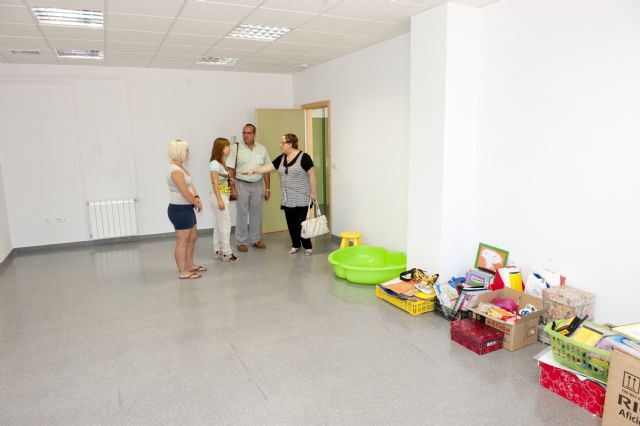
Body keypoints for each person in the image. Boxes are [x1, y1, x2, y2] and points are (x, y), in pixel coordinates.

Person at [245, 133, 317, 256]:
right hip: (287, 198)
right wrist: (254, 170)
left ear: (290, 144)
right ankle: (295, 244)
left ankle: (307, 246)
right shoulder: (282, 158)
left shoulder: (304, 157)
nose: (280, 145)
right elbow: (268, 167)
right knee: (291, 224)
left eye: (282, 142)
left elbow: (312, 175)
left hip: (301, 198)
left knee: (301, 224)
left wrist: (313, 192)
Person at [227, 123, 271, 253]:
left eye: (248, 133)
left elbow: (267, 169)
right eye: (244, 133)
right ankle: (241, 241)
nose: (245, 135)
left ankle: (256, 239)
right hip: (241, 184)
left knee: (256, 213)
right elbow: (231, 168)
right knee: (242, 213)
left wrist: (268, 188)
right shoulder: (236, 147)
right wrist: (233, 188)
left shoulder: (262, 149)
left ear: (254, 134)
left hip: (258, 184)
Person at [166, 138, 206, 279]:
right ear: (180, 152)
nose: (189, 152)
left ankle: (190, 265)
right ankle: (183, 272)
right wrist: (196, 202)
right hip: (179, 209)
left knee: (192, 237)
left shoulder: (181, 167)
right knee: (182, 241)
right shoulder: (174, 170)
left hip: (186, 207)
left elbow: (190, 186)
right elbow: (184, 191)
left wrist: (197, 197)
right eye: (186, 150)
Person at [209, 137, 238, 262]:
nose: (229, 149)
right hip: (219, 196)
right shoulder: (215, 163)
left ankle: (218, 249)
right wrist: (220, 200)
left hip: (222, 194)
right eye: (227, 147)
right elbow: (214, 182)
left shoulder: (221, 163)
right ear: (221, 148)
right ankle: (227, 253)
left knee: (218, 224)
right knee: (225, 225)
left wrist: (229, 180)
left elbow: (220, 180)